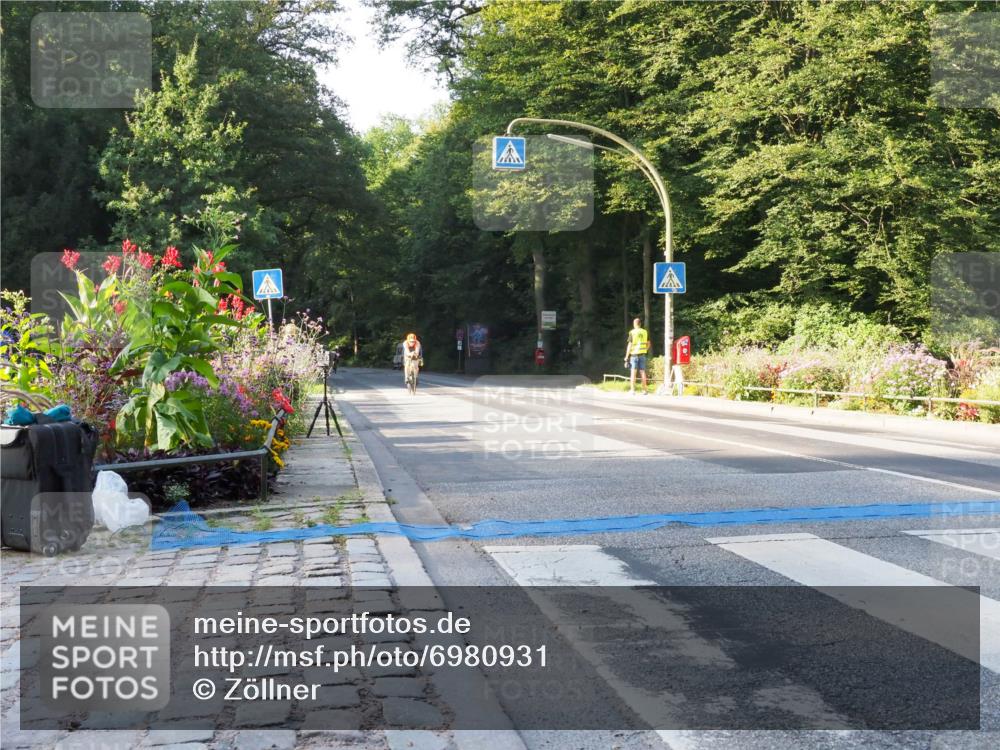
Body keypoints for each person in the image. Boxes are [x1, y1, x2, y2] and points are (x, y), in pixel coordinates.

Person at [624, 318, 650, 394]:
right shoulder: (645, 332)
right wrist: (645, 350)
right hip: (642, 355)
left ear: (634, 324)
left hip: (634, 355)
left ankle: (632, 390)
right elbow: (648, 343)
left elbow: (629, 345)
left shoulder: (632, 332)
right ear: (640, 324)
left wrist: (626, 357)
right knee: (642, 372)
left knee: (633, 372)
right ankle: (645, 390)